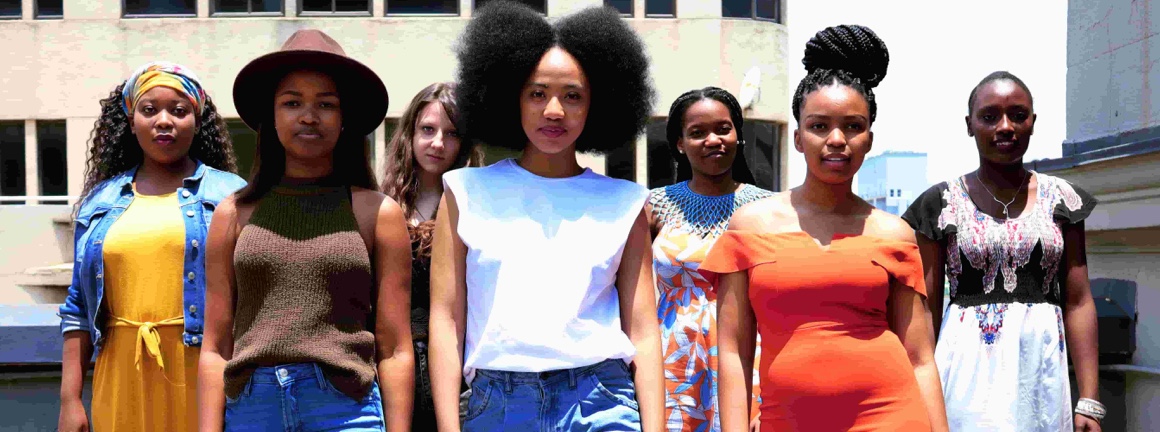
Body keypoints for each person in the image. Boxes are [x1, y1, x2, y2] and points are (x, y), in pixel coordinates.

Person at [428, 2, 664, 431]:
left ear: (598, 104)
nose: (554, 110)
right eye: (537, 93)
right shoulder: (464, 192)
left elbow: (644, 330)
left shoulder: (626, 202)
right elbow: (445, 321)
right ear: (510, 98)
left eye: (572, 96)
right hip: (497, 405)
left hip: (601, 401)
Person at [702, 25, 949, 432]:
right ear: (798, 138)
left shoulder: (894, 233)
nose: (837, 139)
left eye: (853, 126)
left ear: (869, 139)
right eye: (819, 126)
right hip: (787, 421)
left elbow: (920, 357)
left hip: (891, 416)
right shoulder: (750, 225)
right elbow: (732, 351)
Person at [197, 29, 414, 432]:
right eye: (292, 102)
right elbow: (215, 347)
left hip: (345, 410)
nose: (309, 116)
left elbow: (396, 348)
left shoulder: (377, 212)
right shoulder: (233, 214)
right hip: (252, 410)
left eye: (326, 104)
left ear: (345, 118)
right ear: (272, 116)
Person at [902, 71, 1103, 432]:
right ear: (969, 125)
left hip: (1039, 372)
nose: (1006, 127)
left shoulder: (1064, 200)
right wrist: (916, 396)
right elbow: (926, 314)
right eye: (990, 116)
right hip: (963, 373)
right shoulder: (940, 204)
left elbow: (1078, 301)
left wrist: (1089, 400)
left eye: (1018, 115)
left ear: (1033, 123)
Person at [58, 61, 245, 432]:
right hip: (119, 372)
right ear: (131, 122)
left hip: (206, 367)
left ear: (197, 121)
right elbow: (79, 307)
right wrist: (69, 400)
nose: (164, 120)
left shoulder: (231, 195)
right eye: (149, 110)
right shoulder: (100, 201)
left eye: (179, 111)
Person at [646, 87, 771, 432]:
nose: (713, 140)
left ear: (738, 135)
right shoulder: (653, 206)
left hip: (752, 357)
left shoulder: (770, 209)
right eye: (698, 133)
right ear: (679, 144)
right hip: (674, 360)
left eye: (723, 129)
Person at [379, 82, 483, 429]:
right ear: (409, 133)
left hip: (460, 369)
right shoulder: (380, 203)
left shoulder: (475, 205)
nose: (438, 143)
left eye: (451, 133)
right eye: (428, 129)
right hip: (393, 366)